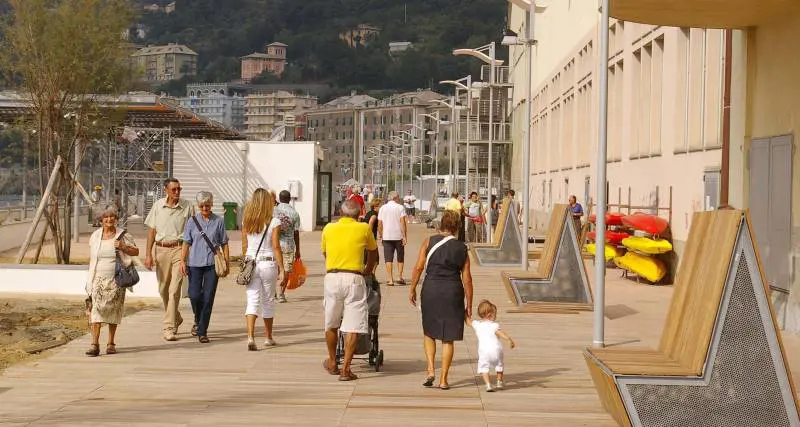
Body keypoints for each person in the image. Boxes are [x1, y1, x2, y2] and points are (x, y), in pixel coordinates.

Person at [408, 210, 473, 390]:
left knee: (429, 331)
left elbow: (419, 267)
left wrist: (412, 288)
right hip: (453, 291)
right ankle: (444, 379)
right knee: (448, 338)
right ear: (457, 227)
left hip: (431, 289)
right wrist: (469, 304)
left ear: (441, 225)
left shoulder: (429, 241)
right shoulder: (462, 248)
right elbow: (467, 279)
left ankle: (430, 370)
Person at [321, 199, 378, 381]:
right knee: (352, 325)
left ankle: (332, 362)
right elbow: (373, 254)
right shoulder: (363, 228)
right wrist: (368, 271)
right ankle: (346, 369)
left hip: (332, 277)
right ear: (359, 213)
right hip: (354, 278)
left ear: (340, 212)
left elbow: (325, 252)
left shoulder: (329, 228)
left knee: (331, 323)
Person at [84, 205, 140, 356]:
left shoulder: (123, 235)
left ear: (116, 219)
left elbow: (136, 251)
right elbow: (92, 259)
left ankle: (111, 343)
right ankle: (94, 344)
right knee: (95, 311)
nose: (109, 219)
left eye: (112, 217)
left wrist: (123, 247)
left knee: (113, 311)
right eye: (106, 217)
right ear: (101, 220)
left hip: (117, 279)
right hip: (98, 279)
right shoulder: (95, 236)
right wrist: (89, 281)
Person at [144, 178, 193, 342]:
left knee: (174, 291)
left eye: (179, 189)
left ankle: (169, 327)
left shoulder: (187, 207)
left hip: (179, 250)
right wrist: (148, 254)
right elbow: (151, 231)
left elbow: (191, 232)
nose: (177, 192)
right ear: (166, 190)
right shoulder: (158, 206)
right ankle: (176, 317)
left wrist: (187, 257)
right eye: (174, 190)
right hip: (161, 250)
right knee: (163, 290)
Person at [180, 191, 229, 343]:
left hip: (211, 265)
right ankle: (197, 318)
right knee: (194, 295)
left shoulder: (218, 221)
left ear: (212, 205)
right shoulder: (191, 221)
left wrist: (226, 262)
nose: (205, 208)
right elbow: (186, 242)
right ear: (198, 206)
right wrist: (182, 260)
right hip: (194, 264)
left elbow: (224, 243)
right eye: (202, 205)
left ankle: (202, 330)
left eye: (207, 205)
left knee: (208, 298)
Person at [241, 188, 285, 351]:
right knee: (268, 301)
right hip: (268, 264)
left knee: (252, 300)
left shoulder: (247, 220)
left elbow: (245, 244)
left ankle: (250, 336)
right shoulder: (273, 222)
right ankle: (268, 337)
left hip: (251, 263)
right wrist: (282, 268)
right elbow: (275, 246)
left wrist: (245, 260)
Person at [466, 300, 516, 392]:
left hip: (484, 351)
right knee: (499, 365)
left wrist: (465, 313)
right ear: (490, 315)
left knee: (484, 368)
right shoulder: (494, 325)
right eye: (495, 314)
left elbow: (468, 322)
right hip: (496, 350)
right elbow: (500, 333)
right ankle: (499, 382)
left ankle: (488, 385)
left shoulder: (477, 325)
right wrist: (509, 340)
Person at [274, 190, 301, 303]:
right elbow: (296, 233)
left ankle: (273, 292)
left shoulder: (274, 211)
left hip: (274, 244)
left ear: (280, 199)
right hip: (289, 246)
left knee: (275, 268)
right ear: (289, 199)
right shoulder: (294, 213)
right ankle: (281, 294)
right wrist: (298, 249)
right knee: (286, 269)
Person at [378, 191, 407, 286]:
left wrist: (381, 235)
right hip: (398, 236)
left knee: (388, 258)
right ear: (395, 198)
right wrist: (404, 236)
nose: (399, 199)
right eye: (398, 197)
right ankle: (399, 276)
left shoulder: (383, 208)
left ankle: (390, 279)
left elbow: (380, 223)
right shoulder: (400, 207)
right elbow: (403, 222)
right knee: (400, 256)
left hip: (387, 236)